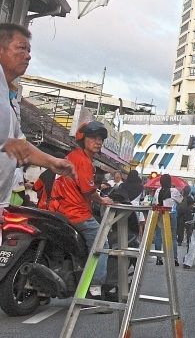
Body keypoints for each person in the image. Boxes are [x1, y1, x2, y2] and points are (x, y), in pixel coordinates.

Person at [0, 23, 75, 215]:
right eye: (21, 48)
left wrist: (51, 162)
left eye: (29, 50)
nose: (28, 55)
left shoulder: (10, 98)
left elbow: (20, 145)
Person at [48, 121, 113, 297]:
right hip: (75, 212)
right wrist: (103, 200)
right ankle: (95, 288)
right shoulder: (82, 160)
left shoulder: (72, 156)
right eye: (93, 137)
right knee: (101, 242)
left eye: (100, 139)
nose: (98, 142)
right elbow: (89, 191)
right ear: (82, 138)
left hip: (57, 210)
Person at [153, 174, 183, 266]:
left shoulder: (158, 190)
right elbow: (180, 200)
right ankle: (174, 259)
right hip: (171, 214)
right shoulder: (174, 191)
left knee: (158, 236)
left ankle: (159, 258)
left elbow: (154, 202)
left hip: (160, 214)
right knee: (173, 237)